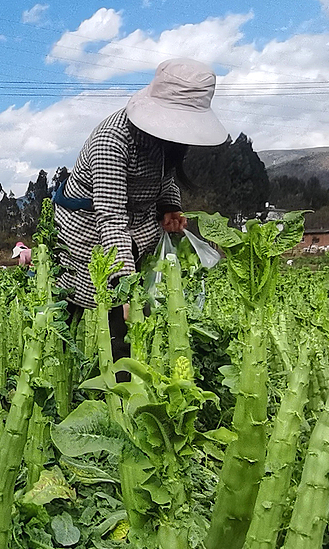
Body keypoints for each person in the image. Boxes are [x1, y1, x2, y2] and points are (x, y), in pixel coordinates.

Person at [52, 58, 228, 359]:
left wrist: (169, 206)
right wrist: (124, 284)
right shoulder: (113, 139)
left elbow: (165, 177)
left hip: (134, 224)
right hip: (86, 225)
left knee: (131, 320)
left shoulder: (166, 139)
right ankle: (58, 373)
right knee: (72, 305)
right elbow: (110, 218)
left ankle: (126, 386)